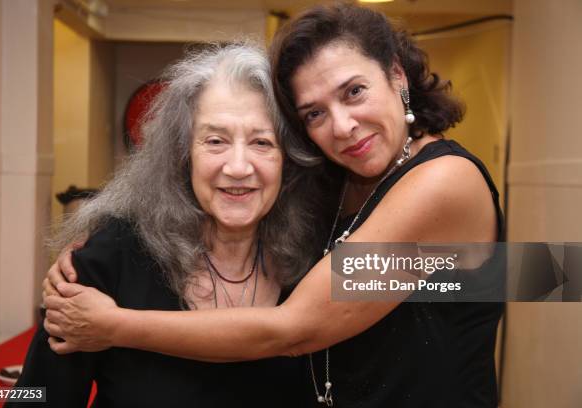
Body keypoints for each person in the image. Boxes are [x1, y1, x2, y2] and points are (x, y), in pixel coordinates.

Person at [43, 4, 504, 407]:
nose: (342, 126)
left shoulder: (439, 182)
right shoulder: (335, 192)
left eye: (354, 91)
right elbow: (33, 395)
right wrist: (99, 247)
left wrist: (114, 325)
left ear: (396, 76)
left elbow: (294, 328)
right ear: (182, 153)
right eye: (314, 114)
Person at [8, 43, 325, 407]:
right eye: (216, 141)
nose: (239, 167)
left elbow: (403, 276)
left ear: (289, 158)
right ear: (182, 154)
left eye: (262, 142)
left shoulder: (319, 252)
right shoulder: (110, 256)